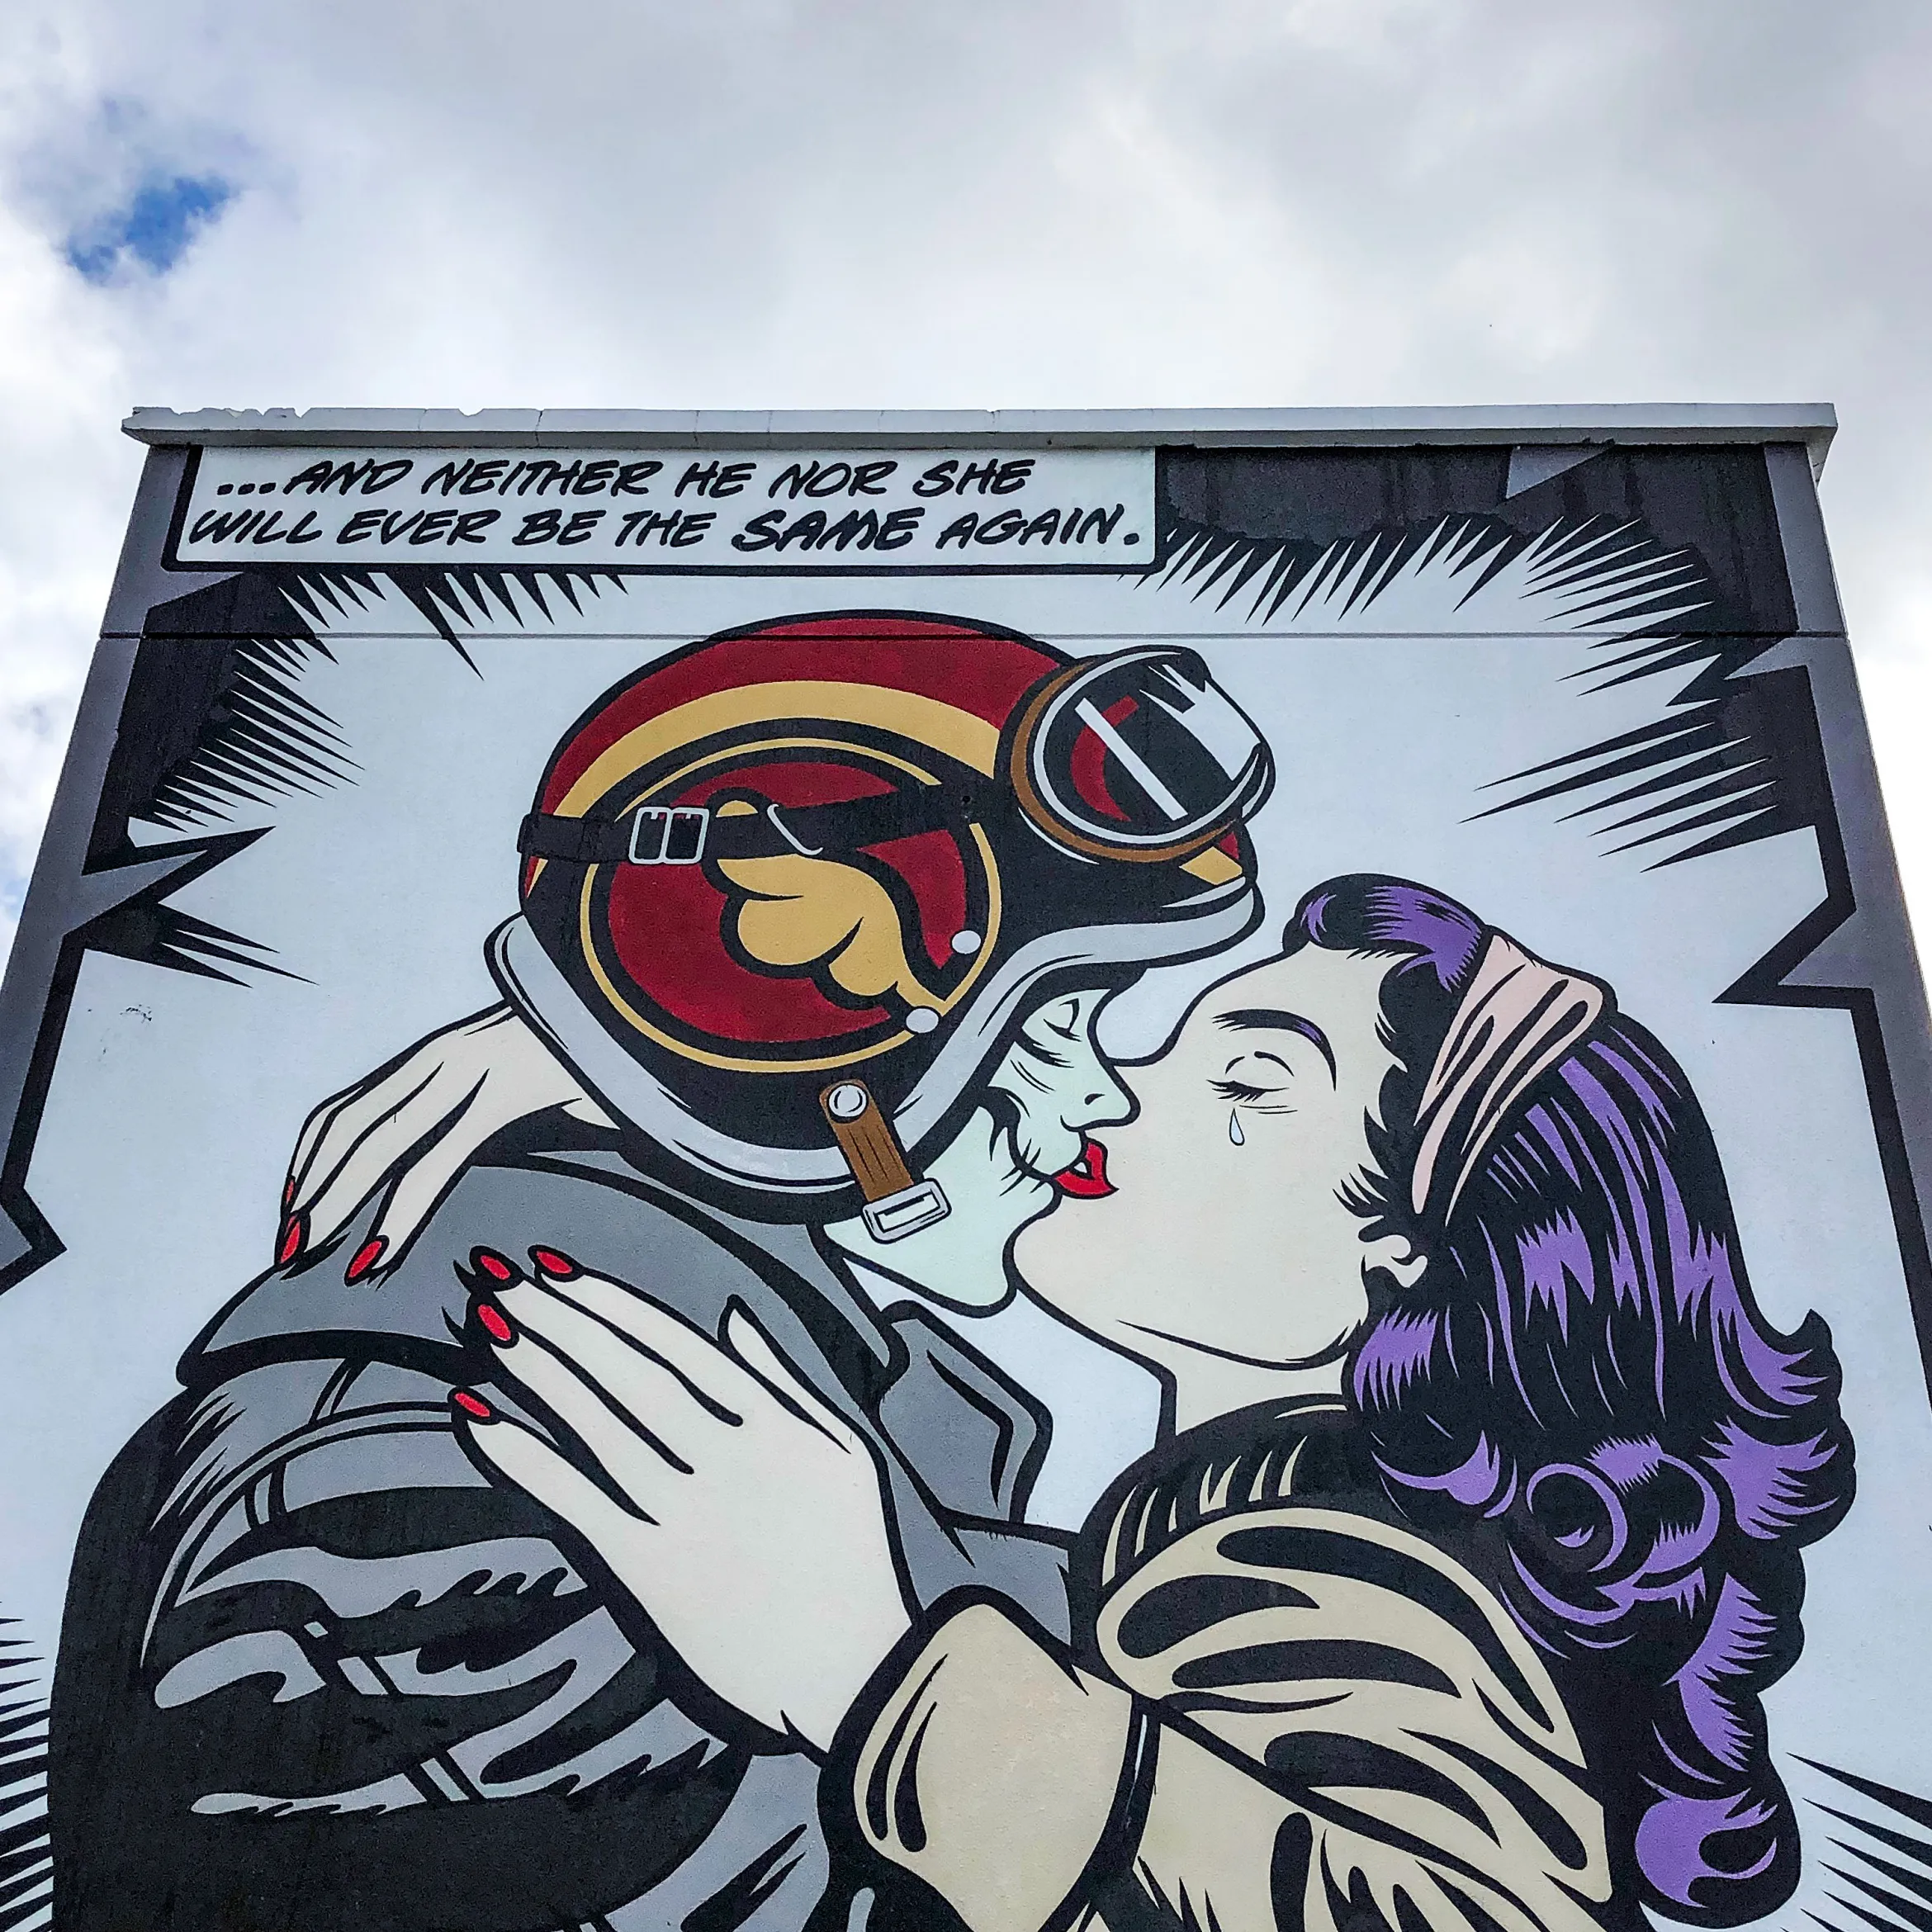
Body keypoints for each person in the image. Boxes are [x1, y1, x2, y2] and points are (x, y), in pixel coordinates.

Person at [49, 613, 1276, 1932]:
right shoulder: (417, 1468)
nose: (1104, 1098)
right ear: (807, 1027)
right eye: (1050, 1028)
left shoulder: (752, 1407)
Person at [443, 875, 1854, 1932]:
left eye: (1245, 1081)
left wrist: (868, 1667)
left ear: (1399, 1253)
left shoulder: (1338, 1570)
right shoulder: (1200, 1545)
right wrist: (634, 1060)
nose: (1115, 1095)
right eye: (1168, 1044)